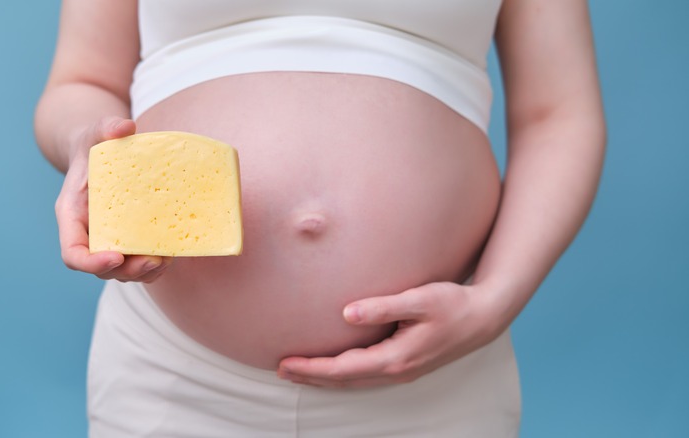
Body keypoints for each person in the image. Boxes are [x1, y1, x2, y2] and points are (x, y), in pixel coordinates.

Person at [35, 0, 605, 436]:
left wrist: (495, 301)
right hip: (173, 374)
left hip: (435, 380)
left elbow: (557, 114)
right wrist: (91, 146)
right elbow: (81, 82)